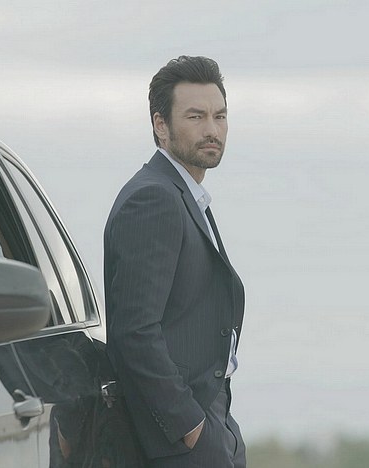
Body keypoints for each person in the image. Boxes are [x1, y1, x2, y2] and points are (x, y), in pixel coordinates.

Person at [104, 55, 246, 467]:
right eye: (195, 116)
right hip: (178, 437)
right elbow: (134, 330)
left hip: (210, 418)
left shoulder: (184, 196)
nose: (211, 129)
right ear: (160, 125)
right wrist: (188, 424)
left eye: (220, 116)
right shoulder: (154, 198)